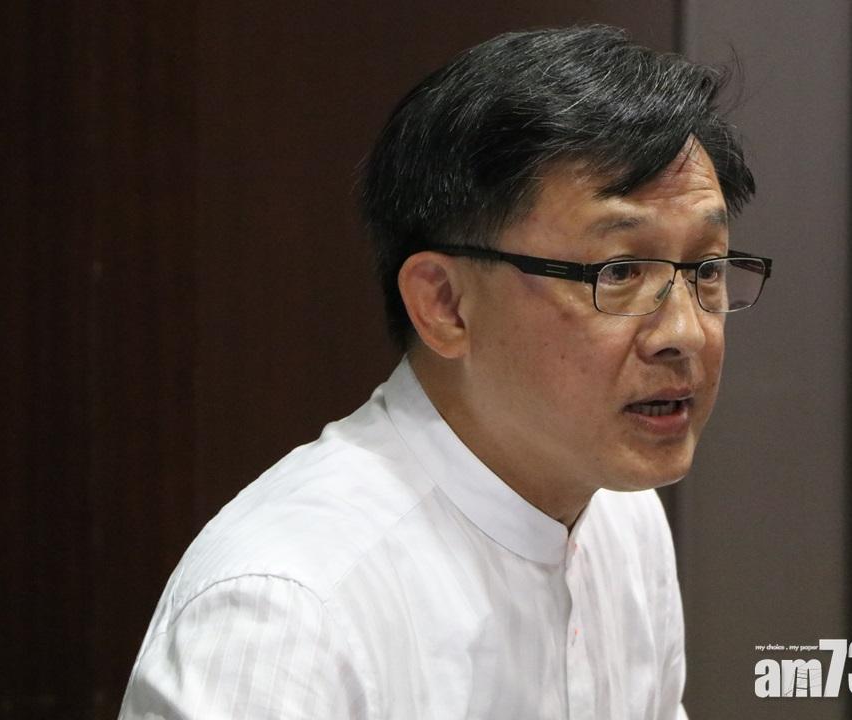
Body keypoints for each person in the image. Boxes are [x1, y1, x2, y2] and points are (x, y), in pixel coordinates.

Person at [119, 25, 770, 719]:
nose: (683, 333)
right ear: (445, 304)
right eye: (619, 272)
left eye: (706, 268)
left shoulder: (622, 517)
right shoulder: (286, 611)